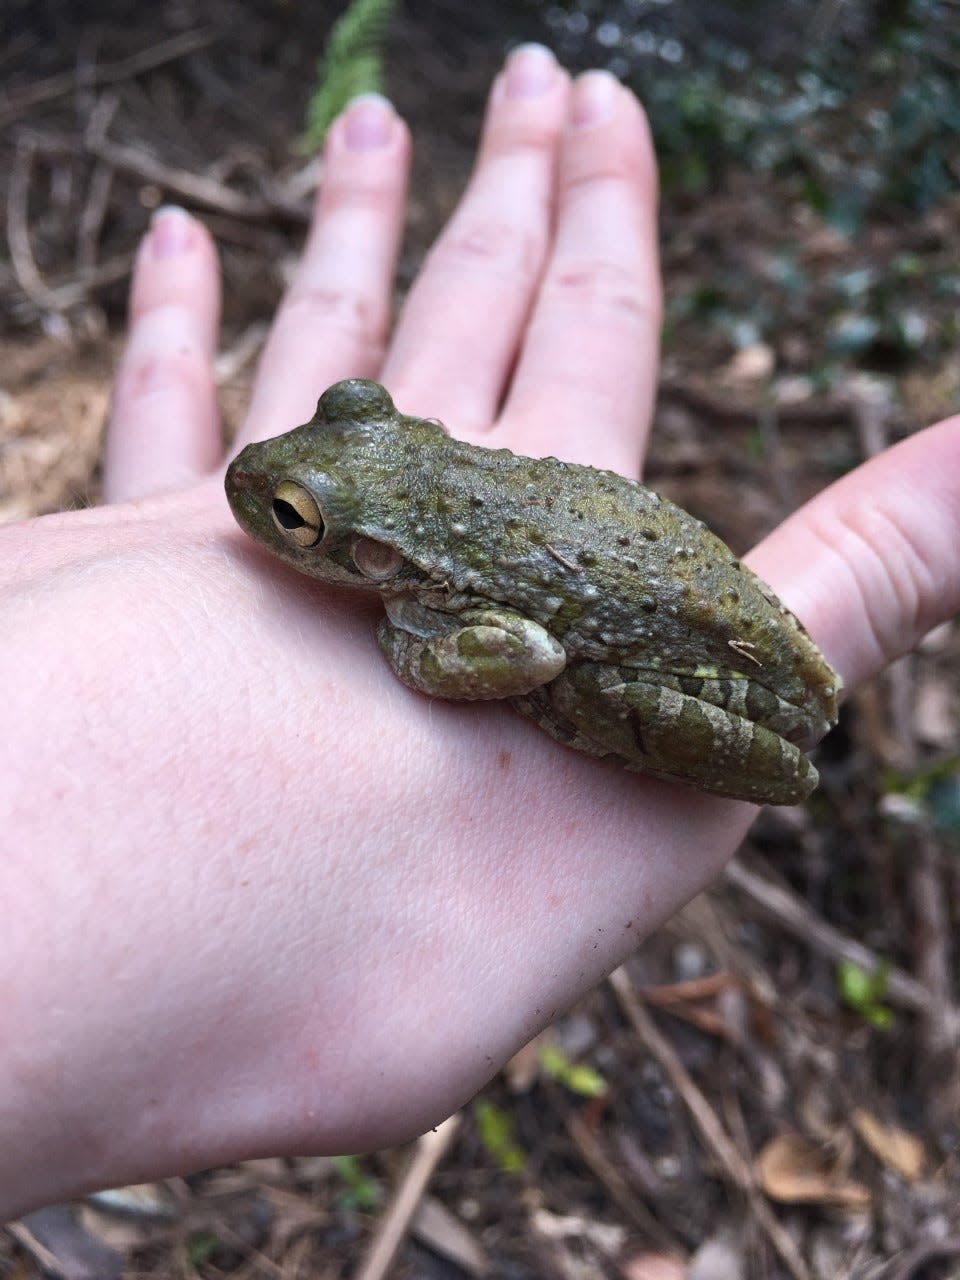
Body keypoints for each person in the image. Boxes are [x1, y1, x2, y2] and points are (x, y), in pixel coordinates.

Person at [1, 47, 957, 1221]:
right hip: (638, 558)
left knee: (586, 661)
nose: (269, 510)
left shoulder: (435, 588)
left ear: (378, 551)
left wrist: (417, 652)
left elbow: (531, 651)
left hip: (646, 645)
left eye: (299, 522)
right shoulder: (412, 507)